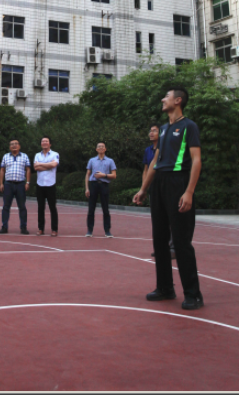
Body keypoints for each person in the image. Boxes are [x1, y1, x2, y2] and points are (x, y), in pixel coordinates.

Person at [133, 86, 204, 311]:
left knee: (181, 242)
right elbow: (155, 161)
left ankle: (193, 294)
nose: (163, 99)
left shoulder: (189, 126)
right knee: (159, 239)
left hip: (178, 182)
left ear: (178, 101)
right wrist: (144, 189)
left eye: (167, 96)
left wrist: (189, 191)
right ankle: (165, 288)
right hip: (160, 184)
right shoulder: (163, 129)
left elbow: (196, 160)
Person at [144, 124, 176, 260]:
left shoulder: (169, 146)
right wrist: (143, 187)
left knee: (171, 216)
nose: (151, 133)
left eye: (154, 131)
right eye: (150, 131)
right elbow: (147, 168)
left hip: (167, 183)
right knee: (158, 218)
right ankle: (161, 246)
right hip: (154, 185)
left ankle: (173, 246)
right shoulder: (148, 150)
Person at [0, 139, 31, 235]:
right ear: (9, 147)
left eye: (16, 144)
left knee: (22, 206)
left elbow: (28, 169)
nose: (14, 146)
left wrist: (27, 182)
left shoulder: (24, 156)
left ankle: (23, 227)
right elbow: (2, 170)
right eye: (12, 144)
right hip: (8, 184)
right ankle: (4, 226)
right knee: (6, 206)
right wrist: (1, 183)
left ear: (19, 146)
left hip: (20, 184)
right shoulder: (5, 156)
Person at [85, 142, 116, 237]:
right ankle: (89, 230)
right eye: (99, 147)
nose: (101, 148)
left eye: (102, 146)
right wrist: (87, 188)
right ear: (96, 149)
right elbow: (88, 174)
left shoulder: (110, 161)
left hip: (104, 185)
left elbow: (114, 175)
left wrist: (103, 175)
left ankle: (107, 231)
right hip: (93, 185)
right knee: (91, 209)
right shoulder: (92, 160)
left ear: (105, 149)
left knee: (105, 209)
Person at [34, 136, 59, 236]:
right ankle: (41, 228)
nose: (44, 142)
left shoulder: (55, 154)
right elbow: (36, 167)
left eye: (46, 141)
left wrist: (41, 164)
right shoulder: (37, 155)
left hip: (50, 184)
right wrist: (48, 165)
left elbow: (54, 165)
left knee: (52, 207)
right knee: (40, 208)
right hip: (40, 184)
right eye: (43, 141)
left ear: (50, 144)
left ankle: (54, 229)